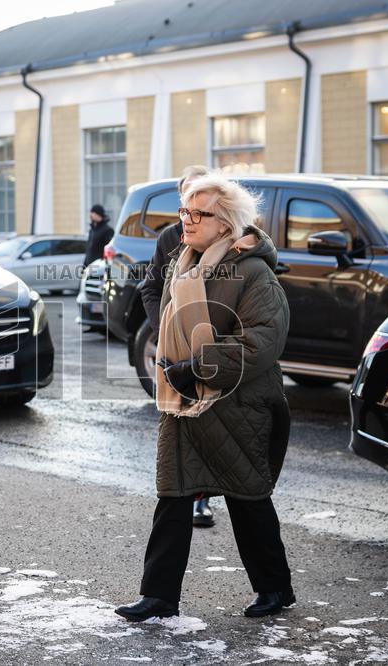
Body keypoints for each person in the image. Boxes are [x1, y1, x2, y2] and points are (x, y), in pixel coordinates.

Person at [116, 172, 294, 622]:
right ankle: (158, 596)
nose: (188, 221)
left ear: (227, 222)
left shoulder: (253, 272)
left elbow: (262, 342)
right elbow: (167, 312)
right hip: (184, 401)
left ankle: (275, 588)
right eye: (185, 212)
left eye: (200, 214)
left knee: (247, 497)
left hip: (237, 402)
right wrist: (173, 364)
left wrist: (195, 367)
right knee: (173, 495)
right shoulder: (185, 261)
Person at [139, 165, 212, 527]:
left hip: (212, 346)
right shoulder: (170, 237)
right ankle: (188, 500)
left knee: (211, 425)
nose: (192, 209)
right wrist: (163, 327)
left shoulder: (227, 237)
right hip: (176, 350)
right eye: (187, 199)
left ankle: (203, 496)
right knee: (179, 427)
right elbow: (150, 289)